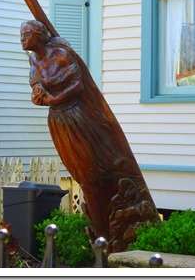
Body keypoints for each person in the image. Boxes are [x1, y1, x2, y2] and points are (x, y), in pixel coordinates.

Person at [20, 20, 159, 247]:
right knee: (81, 175)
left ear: (39, 35)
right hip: (57, 121)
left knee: (92, 171)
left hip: (76, 117)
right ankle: (100, 233)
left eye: (26, 34)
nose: (22, 38)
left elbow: (78, 86)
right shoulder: (33, 61)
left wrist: (54, 98)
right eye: (21, 34)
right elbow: (37, 91)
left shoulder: (61, 55)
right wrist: (38, 98)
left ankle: (106, 234)